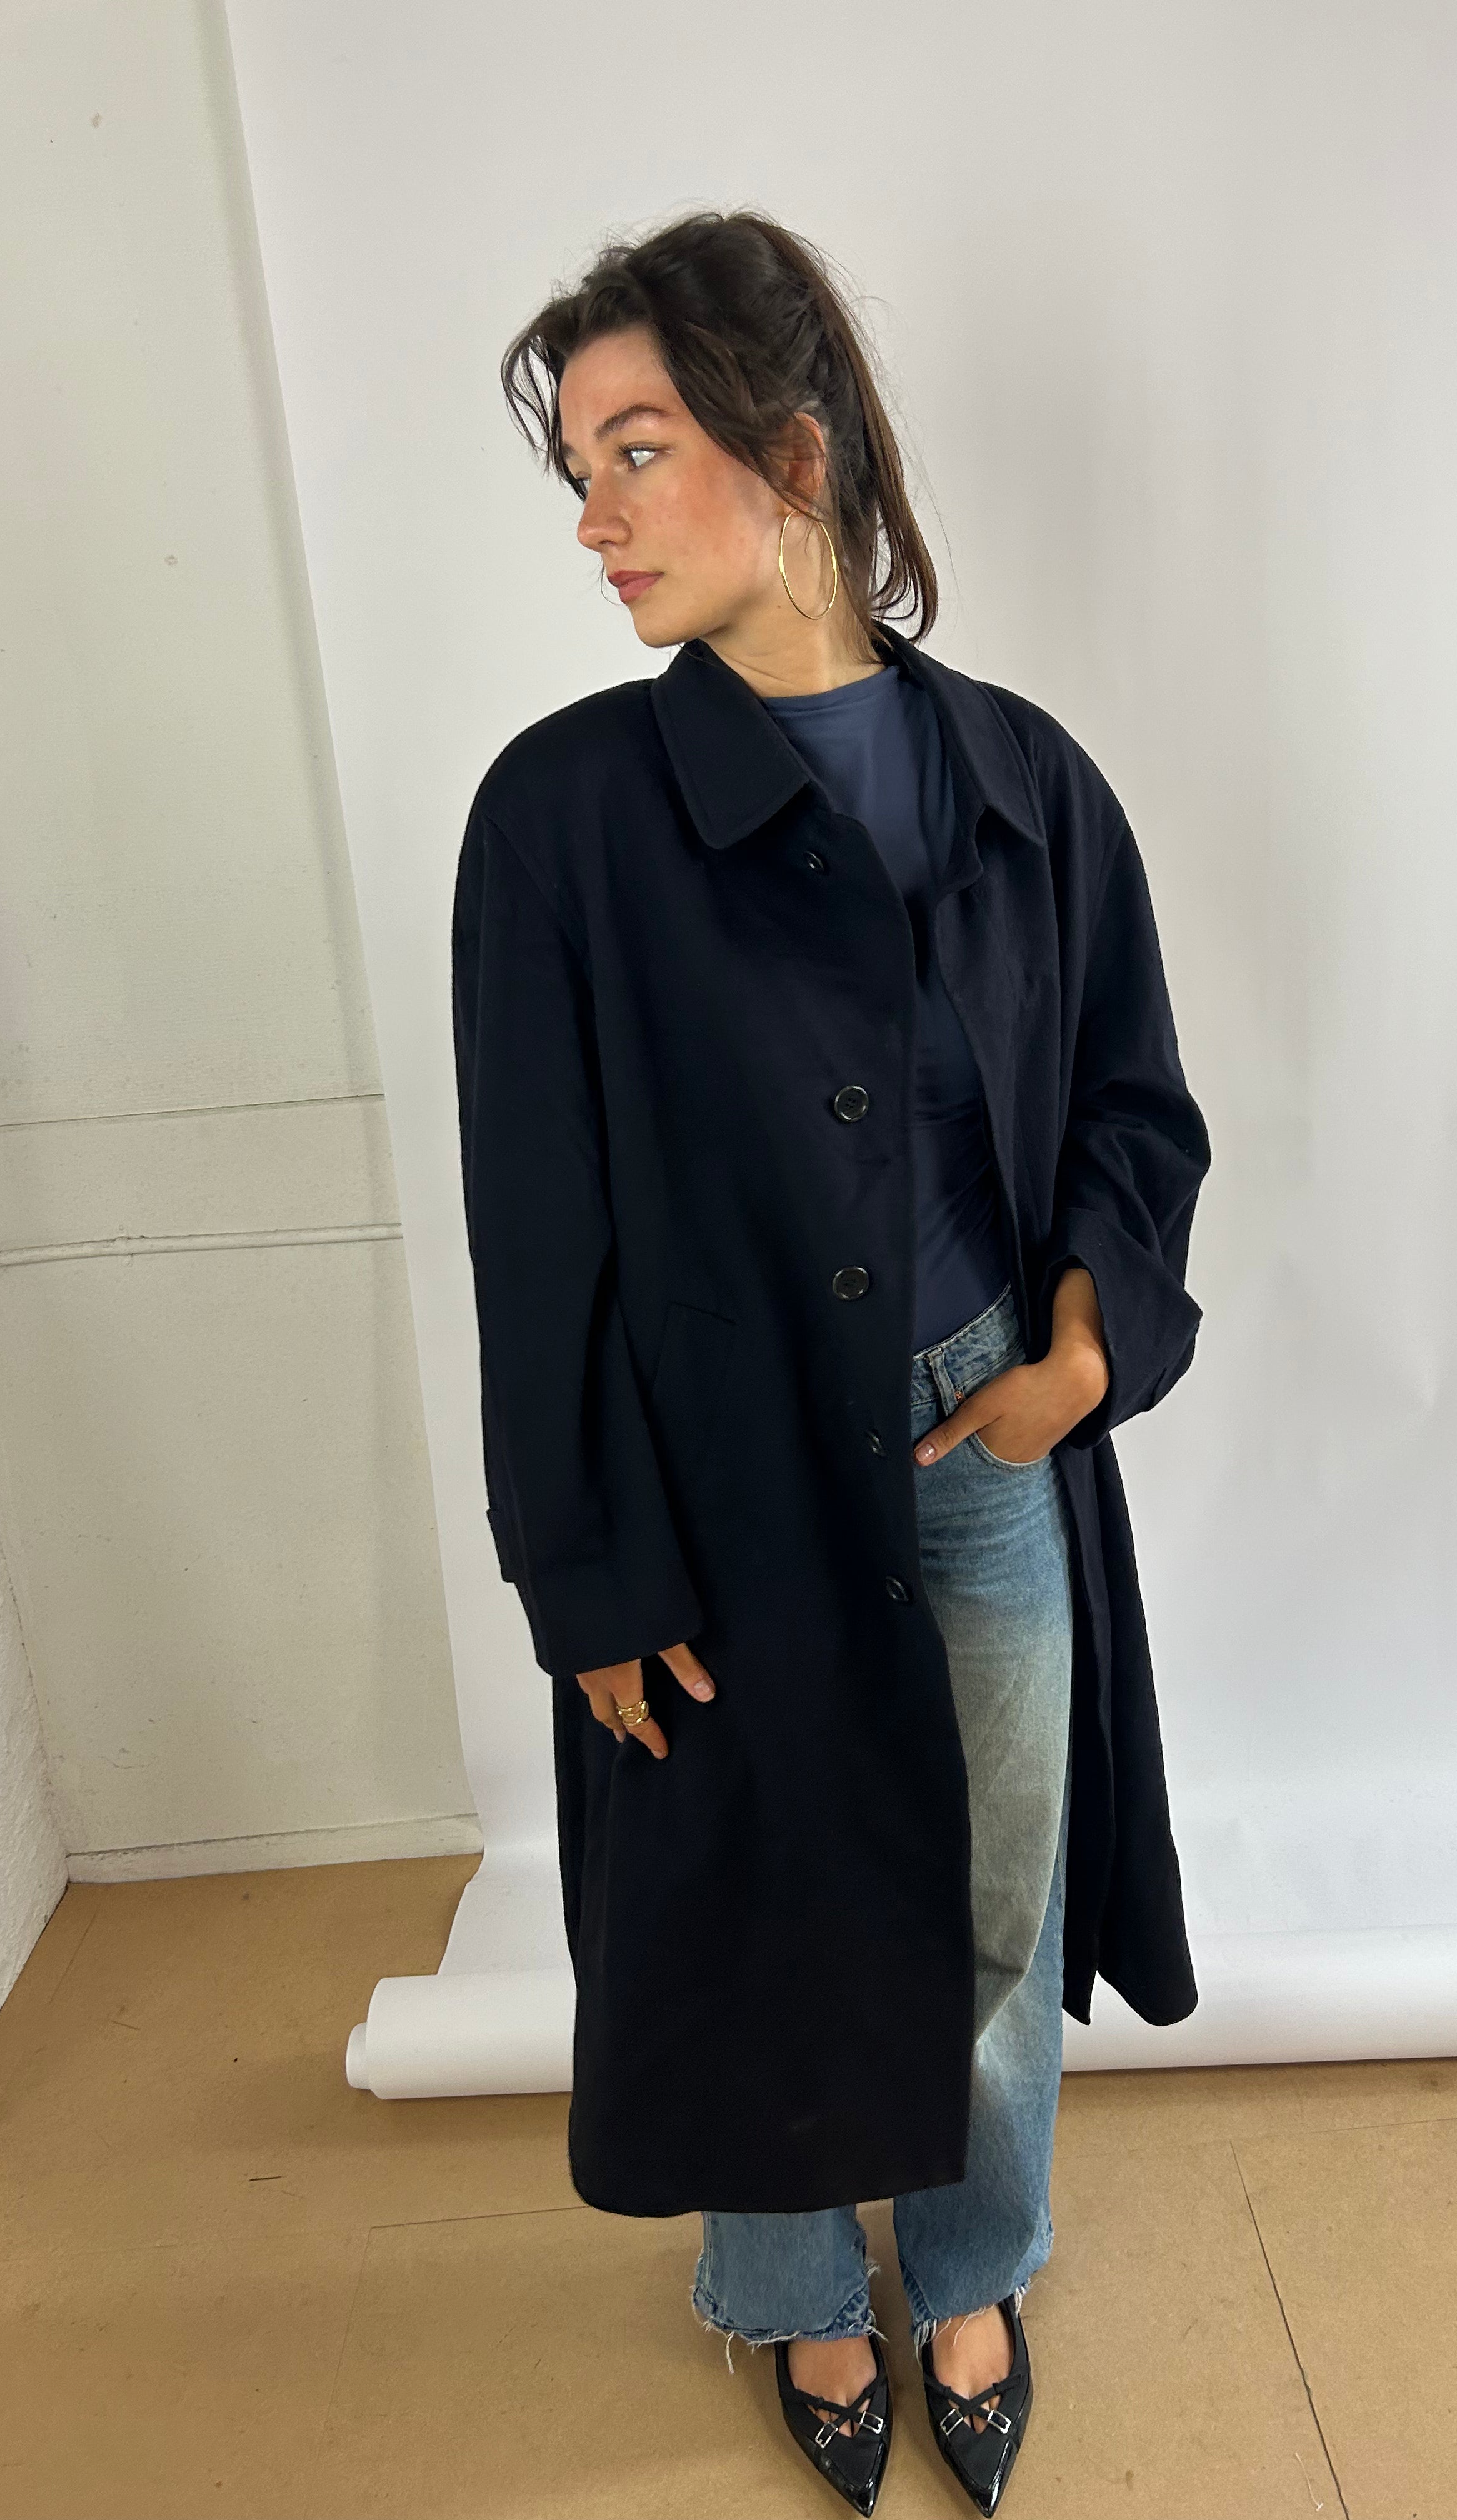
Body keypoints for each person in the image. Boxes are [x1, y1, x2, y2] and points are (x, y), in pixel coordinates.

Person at [453, 208, 1211, 2516]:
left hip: (986, 1442)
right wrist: (589, 1571)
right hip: (717, 1482)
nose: (594, 516)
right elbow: (538, 1236)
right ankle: (791, 2290)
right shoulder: (565, 819)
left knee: (997, 1892)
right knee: (748, 1904)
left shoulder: (1028, 782)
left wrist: (1084, 1348)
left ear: (792, 455)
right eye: (578, 467)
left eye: (637, 449)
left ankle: (972, 2259)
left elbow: (1132, 1107)